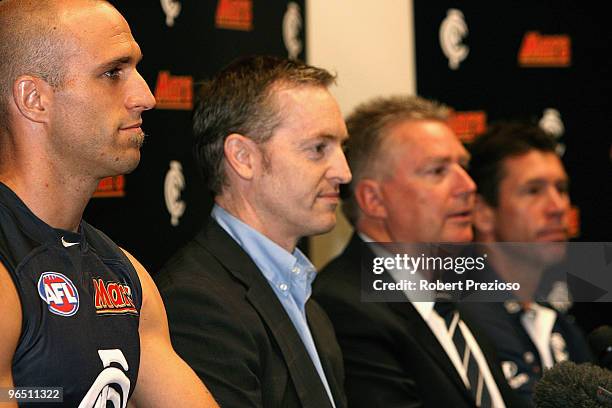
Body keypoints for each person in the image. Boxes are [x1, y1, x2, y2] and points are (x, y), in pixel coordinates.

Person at [0, 1, 218, 407]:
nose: (146, 97)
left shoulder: (123, 273)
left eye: (136, 69)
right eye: (113, 73)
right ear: (34, 99)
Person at [155, 55, 350, 408]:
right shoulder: (197, 304)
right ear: (243, 157)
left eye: (341, 148)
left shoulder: (302, 293)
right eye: (318, 148)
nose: (343, 171)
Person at [313, 95, 522, 407]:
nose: (468, 186)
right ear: (374, 200)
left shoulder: (454, 303)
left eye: (463, 166)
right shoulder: (343, 309)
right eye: (437, 171)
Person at [466, 121, 592, 406]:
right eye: (533, 191)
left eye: (561, 189)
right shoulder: (466, 321)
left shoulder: (560, 324)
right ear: (483, 213)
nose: (558, 207)